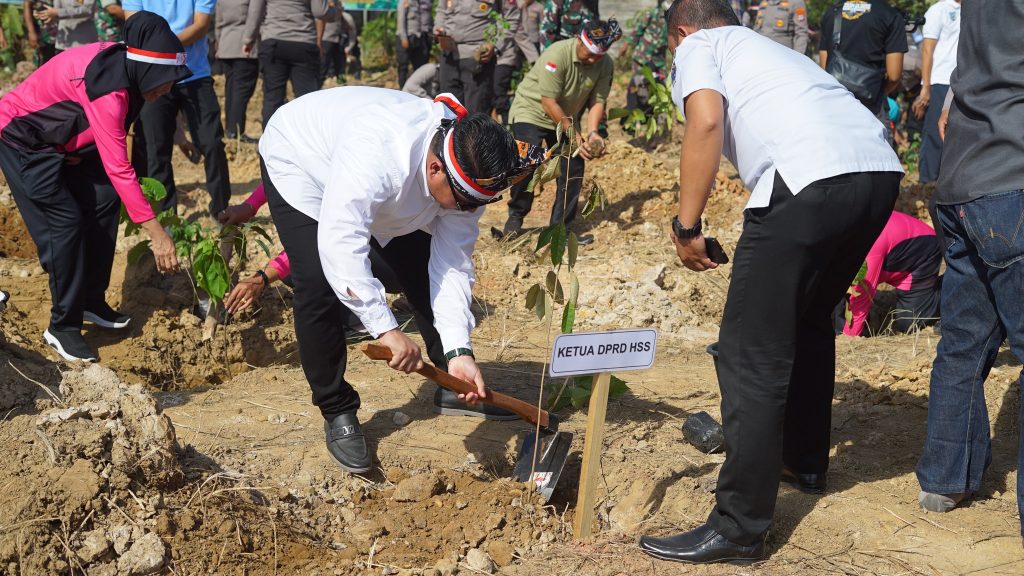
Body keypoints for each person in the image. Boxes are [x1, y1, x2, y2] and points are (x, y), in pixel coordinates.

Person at [638, 0, 902, 564]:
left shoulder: (699, 44)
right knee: (809, 320)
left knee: (748, 352)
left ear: (681, 31)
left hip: (809, 178)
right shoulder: (767, 49)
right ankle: (802, 461)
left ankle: (738, 527)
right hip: (877, 172)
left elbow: (706, 121)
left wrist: (687, 227)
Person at [259, 88, 536, 473]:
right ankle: (337, 409)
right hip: (301, 158)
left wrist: (460, 352)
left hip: (380, 180)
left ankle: (452, 381)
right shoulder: (377, 157)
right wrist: (386, 330)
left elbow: (451, 265)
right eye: (464, 201)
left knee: (422, 261)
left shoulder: (466, 174)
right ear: (436, 169)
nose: (469, 210)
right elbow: (341, 242)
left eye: (477, 203)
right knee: (317, 282)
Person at [0, 11, 189, 362]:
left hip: (59, 141)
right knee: (64, 223)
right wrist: (156, 233)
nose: (167, 88)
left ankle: (89, 300)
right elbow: (119, 166)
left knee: (104, 198)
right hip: (23, 140)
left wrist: (75, 149)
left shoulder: (129, 66)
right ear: (145, 69)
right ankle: (63, 326)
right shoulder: (110, 90)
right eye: (164, 80)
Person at [915, 0, 1024, 535]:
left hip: (960, 183)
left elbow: (948, 102)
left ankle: (944, 479)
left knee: (961, 344)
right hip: (1012, 180)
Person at [500, 19, 619, 243]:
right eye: (590, 54)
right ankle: (515, 218)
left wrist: (593, 133)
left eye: (598, 56)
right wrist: (575, 136)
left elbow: (597, 101)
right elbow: (549, 102)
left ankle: (559, 231)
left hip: (564, 117)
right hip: (532, 111)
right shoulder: (557, 54)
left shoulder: (605, 64)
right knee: (529, 158)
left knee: (573, 167)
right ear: (579, 41)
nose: (593, 60)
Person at [123, 1, 232, 218]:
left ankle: (222, 212)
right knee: (156, 150)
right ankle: (166, 218)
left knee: (212, 142)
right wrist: (165, 51)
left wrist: (160, 48)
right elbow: (134, 28)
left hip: (195, 75)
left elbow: (201, 25)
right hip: (152, 77)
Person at [835, 211, 941, 337]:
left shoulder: (867, 247)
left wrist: (849, 338)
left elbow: (861, 295)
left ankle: (955, 285)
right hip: (891, 249)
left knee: (910, 323)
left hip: (922, 251)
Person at [818, 0, 907, 142]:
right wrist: (879, 92)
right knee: (875, 152)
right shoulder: (890, 15)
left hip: (834, 103)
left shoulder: (832, 13)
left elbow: (823, 67)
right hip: (871, 106)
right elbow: (894, 75)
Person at [244, 0, 336, 127]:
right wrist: (334, 10)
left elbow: (255, 11)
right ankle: (306, 136)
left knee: (273, 97)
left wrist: (249, 39)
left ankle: (271, 137)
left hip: (274, 41)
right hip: (304, 42)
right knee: (306, 98)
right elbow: (320, 11)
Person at [434, 0, 519, 115]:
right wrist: (438, 28)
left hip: (478, 58)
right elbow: (441, 10)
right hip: (449, 56)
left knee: (476, 115)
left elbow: (512, 19)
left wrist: (495, 45)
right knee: (448, 112)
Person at [911, 0, 959, 184]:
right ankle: (927, 182)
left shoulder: (972, 9)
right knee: (935, 133)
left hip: (962, 80)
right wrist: (926, 86)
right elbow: (927, 49)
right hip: (940, 80)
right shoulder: (938, 10)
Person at [216, 0, 261, 142]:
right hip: (244, 46)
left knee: (231, 89)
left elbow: (218, 21)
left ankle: (230, 129)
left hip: (226, 44)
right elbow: (254, 15)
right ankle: (236, 131)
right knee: (241, 91)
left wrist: (219, 43)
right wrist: (249, 39)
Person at [493, 0, 544, 125]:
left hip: (505, 57)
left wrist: (536, 61)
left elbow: (520, 35)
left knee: (499, 90)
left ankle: (507, 122)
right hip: (484, 59)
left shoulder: (510, 12)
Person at [621, 2, 669, 126]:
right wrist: (625, 46)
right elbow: (637, 31)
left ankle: (659, 122)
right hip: (642, 58)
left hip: (658, 61)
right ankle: (633, 118)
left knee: (661, 88)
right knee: (636, 85)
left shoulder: (675, 17)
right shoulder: (652, 13)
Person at [396, 0, 433, 88]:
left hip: (419, 37)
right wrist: (404, 38)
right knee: (403, 65)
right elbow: (401, 19)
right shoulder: (405, 1)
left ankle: (416, 89)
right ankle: (402, 89)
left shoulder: (423, 2)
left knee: (420, 66)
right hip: (407, 36)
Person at [25, 1, 59, 65]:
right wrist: (31, 32)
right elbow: (27, 5)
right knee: (45, 62)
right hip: (44, 34)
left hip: (64, 33)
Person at [319, 4, 346, 84]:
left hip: (337, 40)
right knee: (324, 64)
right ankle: (318, 84)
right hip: (326, 39)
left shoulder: (339, 10)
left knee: (340, 65)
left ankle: (341, 82)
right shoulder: (324, 8)